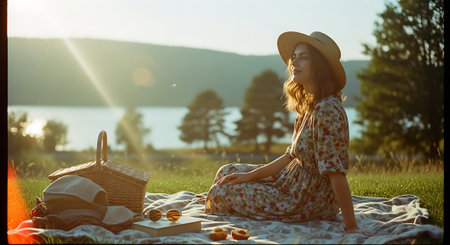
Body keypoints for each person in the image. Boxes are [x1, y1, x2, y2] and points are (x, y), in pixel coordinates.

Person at [205, 31, 363, 234]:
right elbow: (291, 156)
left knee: (220, 192)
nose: (294, 62)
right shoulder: (311, 104)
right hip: (289, 181)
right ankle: (230, 196)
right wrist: (250, 176)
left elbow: (336, 172)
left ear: (320, 66)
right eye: (294, 56)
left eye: (304, 57)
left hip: (306, 199)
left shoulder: (326, 110)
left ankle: (224, 200)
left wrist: (351, 226)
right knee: (227, 172)